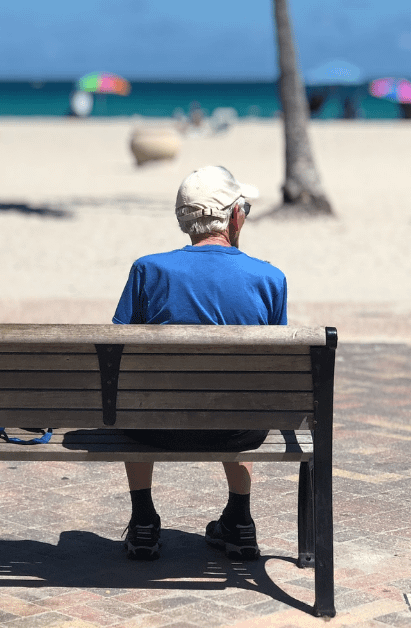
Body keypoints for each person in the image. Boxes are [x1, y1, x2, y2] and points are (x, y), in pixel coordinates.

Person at [112, 165, 288, 562]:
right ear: (234, 216)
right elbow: (273, 371)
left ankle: (143, 520)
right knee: (242, 392)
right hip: (238, 431)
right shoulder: (269, 278)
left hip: (156, 429)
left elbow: (118, 350)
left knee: (134, 397)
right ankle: (240, 520)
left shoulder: (149, 270)